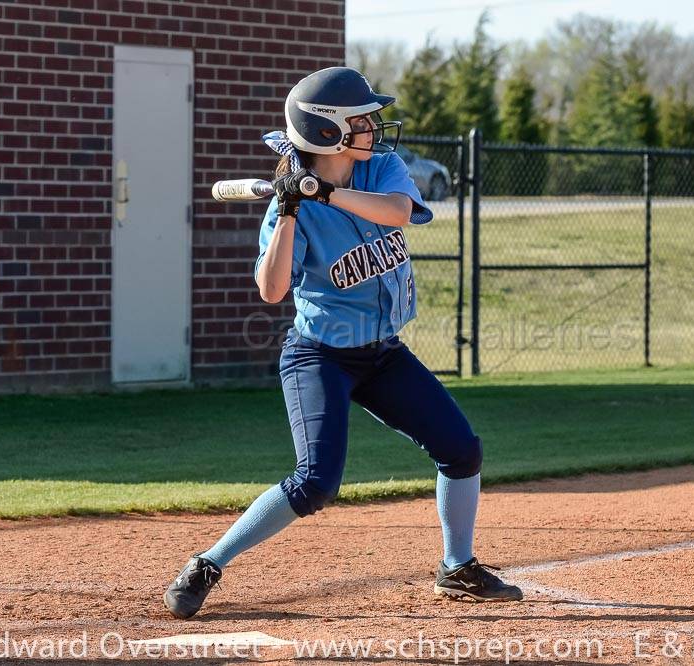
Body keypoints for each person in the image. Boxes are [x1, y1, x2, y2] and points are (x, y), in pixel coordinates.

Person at [163, 67, 522, 620]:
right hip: (320, 355)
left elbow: (399, 212)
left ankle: (456, 567)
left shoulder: (381, 168)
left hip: (382, 353)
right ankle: (208, 563)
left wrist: (327, 192)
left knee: (461, 450)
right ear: (328, 132)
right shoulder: (292, 206)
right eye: (362, 120)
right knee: (316, 482)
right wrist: (288, 209)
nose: (374, 127)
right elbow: (272, 288)